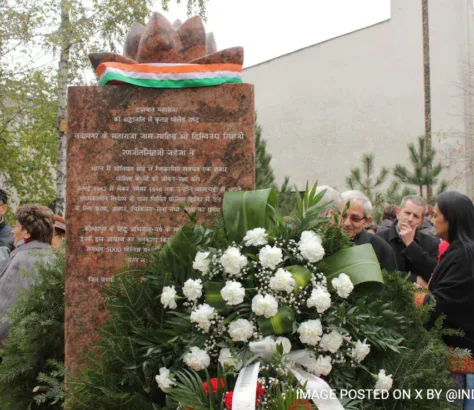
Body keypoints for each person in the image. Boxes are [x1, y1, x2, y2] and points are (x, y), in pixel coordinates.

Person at [421, 192, 474, 408]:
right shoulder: (457, 251)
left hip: (459, 361)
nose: (432, 220)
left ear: (451, 218)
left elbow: (443, 303)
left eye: (436, 215)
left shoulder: (464, 256)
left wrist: (416, 297)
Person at [0, 204, 54, 344]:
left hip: (14, 349)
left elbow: (7, 308)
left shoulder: (24, 260)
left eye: (16, 226)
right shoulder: (49, 255)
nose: (12, 231)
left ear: (28, 232)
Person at [376, 195, 438, 284]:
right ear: (398, 213)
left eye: (416, 216)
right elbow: (380, 273)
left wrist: (410, 244)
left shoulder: (431, 243)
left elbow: (433, 275)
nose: (410, 219)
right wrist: (414, 279)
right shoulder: (379, 239)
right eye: (407, 213)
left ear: (421, 221)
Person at [340, 191, 397, 272]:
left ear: (367, 221)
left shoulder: (380, 248)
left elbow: (392, 282)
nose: (346, 223)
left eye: (355, 218)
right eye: (343, 216)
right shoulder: (324, 242)